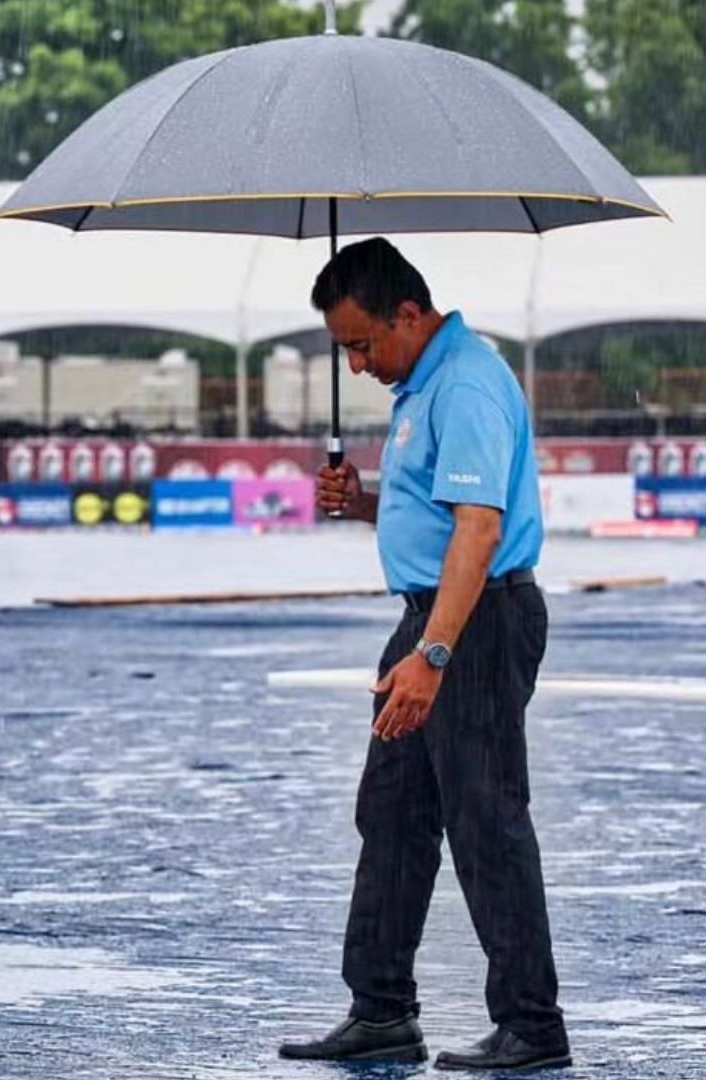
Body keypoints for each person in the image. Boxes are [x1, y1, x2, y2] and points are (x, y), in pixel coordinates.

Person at [278, 238, 570, 1072]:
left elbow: (480, 534)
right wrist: (364, 504)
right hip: (434, 620)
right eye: (346, 350)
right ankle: (380, 1010)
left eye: (364, 343)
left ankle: (533, 1025)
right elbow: (443, 521)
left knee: (486, 820)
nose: (358, 364)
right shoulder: (422, 385)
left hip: (472, 625)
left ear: (410, 313)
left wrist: (434, 654)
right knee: (394, 816)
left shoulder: (468, 383)